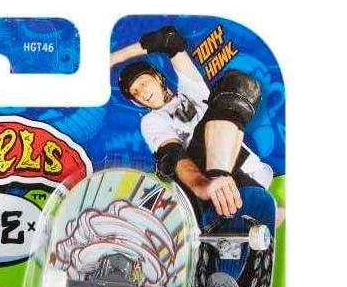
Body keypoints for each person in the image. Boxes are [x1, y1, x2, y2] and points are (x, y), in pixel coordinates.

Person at [110, 25, 273, 219]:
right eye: (135, 93)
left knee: (238, 83)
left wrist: (114, 58)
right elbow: (172, 154)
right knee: (175, 159)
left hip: (253, 173)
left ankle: (236, 194)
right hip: (206, 182)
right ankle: (220, 185)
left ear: (158, 78)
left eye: (143, 83)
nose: (142, 93)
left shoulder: (192, 90)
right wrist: (201, 186)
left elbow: (170, 40)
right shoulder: (152, 120)